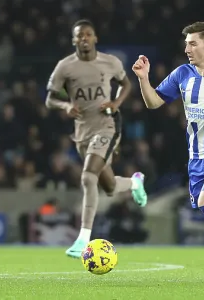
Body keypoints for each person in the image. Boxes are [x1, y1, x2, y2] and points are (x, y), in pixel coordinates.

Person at [45, 19, 147, 258]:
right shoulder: (65, 67)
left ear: (95, 38)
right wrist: (65, 105)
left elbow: (125, 84)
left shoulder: (110, 62)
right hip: (82, 132)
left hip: (108, 125)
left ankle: (83, 238)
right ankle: (135, 183)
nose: (84, 39)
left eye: (88, 34)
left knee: (88, 176)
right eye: (79, 35)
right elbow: (50, 98)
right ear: (74, 40)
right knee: (109, 187)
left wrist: (116, 103)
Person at [132, 21, 204, 220]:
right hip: (198, 158)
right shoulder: (182, 74)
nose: (186, 49)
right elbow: (153, 102)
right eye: (186, 44)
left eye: (193, 44)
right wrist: (143, 78)